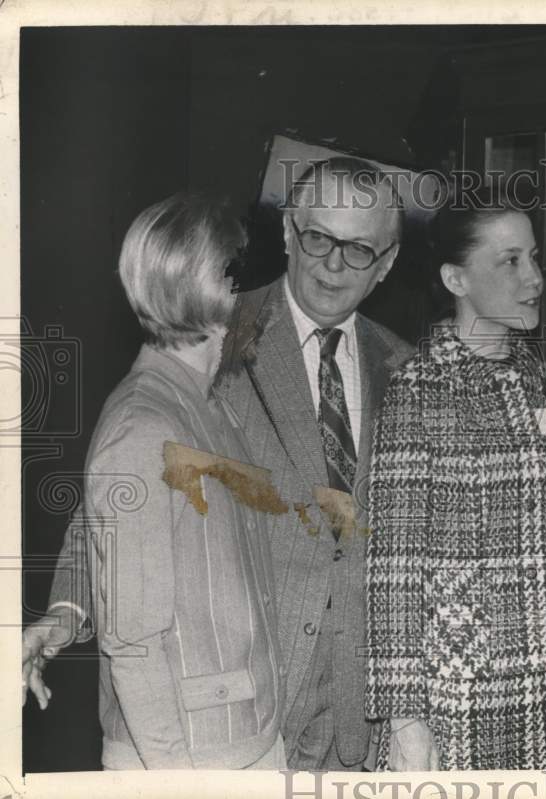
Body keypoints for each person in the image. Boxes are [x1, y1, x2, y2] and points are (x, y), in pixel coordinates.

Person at [25, 157, 414, 771]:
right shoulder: (211, 330)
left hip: (359, 723)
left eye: (359, 249)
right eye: (318, 238)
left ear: (389, 261)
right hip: (235, 722)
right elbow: (111, 506)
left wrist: (407, 711)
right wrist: (65, 613)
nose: (333, 264)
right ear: (287, 234)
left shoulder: (407, 370)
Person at [365, 200, 546, 771]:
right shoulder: (418, 390)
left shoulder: (542, 385)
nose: (535, 279)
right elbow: (393, 568)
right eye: (511, 262)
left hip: (544, 698)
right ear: (456, 279)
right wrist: (404, 719)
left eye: (535, 258)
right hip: (453, 699)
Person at [67, 193, 284, 768]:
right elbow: (132, 643)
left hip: (244, 736)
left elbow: (93, 529)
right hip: (190, 756)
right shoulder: (145, 426)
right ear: (218, 294)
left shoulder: (210, 406)